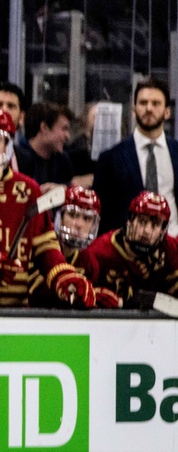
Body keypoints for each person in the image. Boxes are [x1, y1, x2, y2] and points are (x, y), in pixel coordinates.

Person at [0, 108, 93, 308]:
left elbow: (45, 247)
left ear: (8, 146)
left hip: (17, 308)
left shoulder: (28, 190)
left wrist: (63, 277)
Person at [94, 79, 178, 236]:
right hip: (127, 249)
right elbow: (101, 215)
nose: (149, 108)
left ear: (167, 112)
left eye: (156, 103)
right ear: (133, 110)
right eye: (143, 103)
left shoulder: (176, 153)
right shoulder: (111, 159)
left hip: (173, 247)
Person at [78, 191, 178, 307]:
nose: (147, 231)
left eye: (155, 225)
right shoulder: (98, 252)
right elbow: (80, 295)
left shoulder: (170, 248)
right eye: (142, 222)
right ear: (129, 221)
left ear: (163, 230)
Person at [15, 102, 74, 186]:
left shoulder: (62, 161)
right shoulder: (18, 159)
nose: (68, 136)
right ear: (44, 128)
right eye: (64, 129)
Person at [54, 184, 102, 261]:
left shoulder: (89, 264)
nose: (79, 224)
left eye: (87, 218)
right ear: (60, 218)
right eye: (72, 215)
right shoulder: (39, 248)